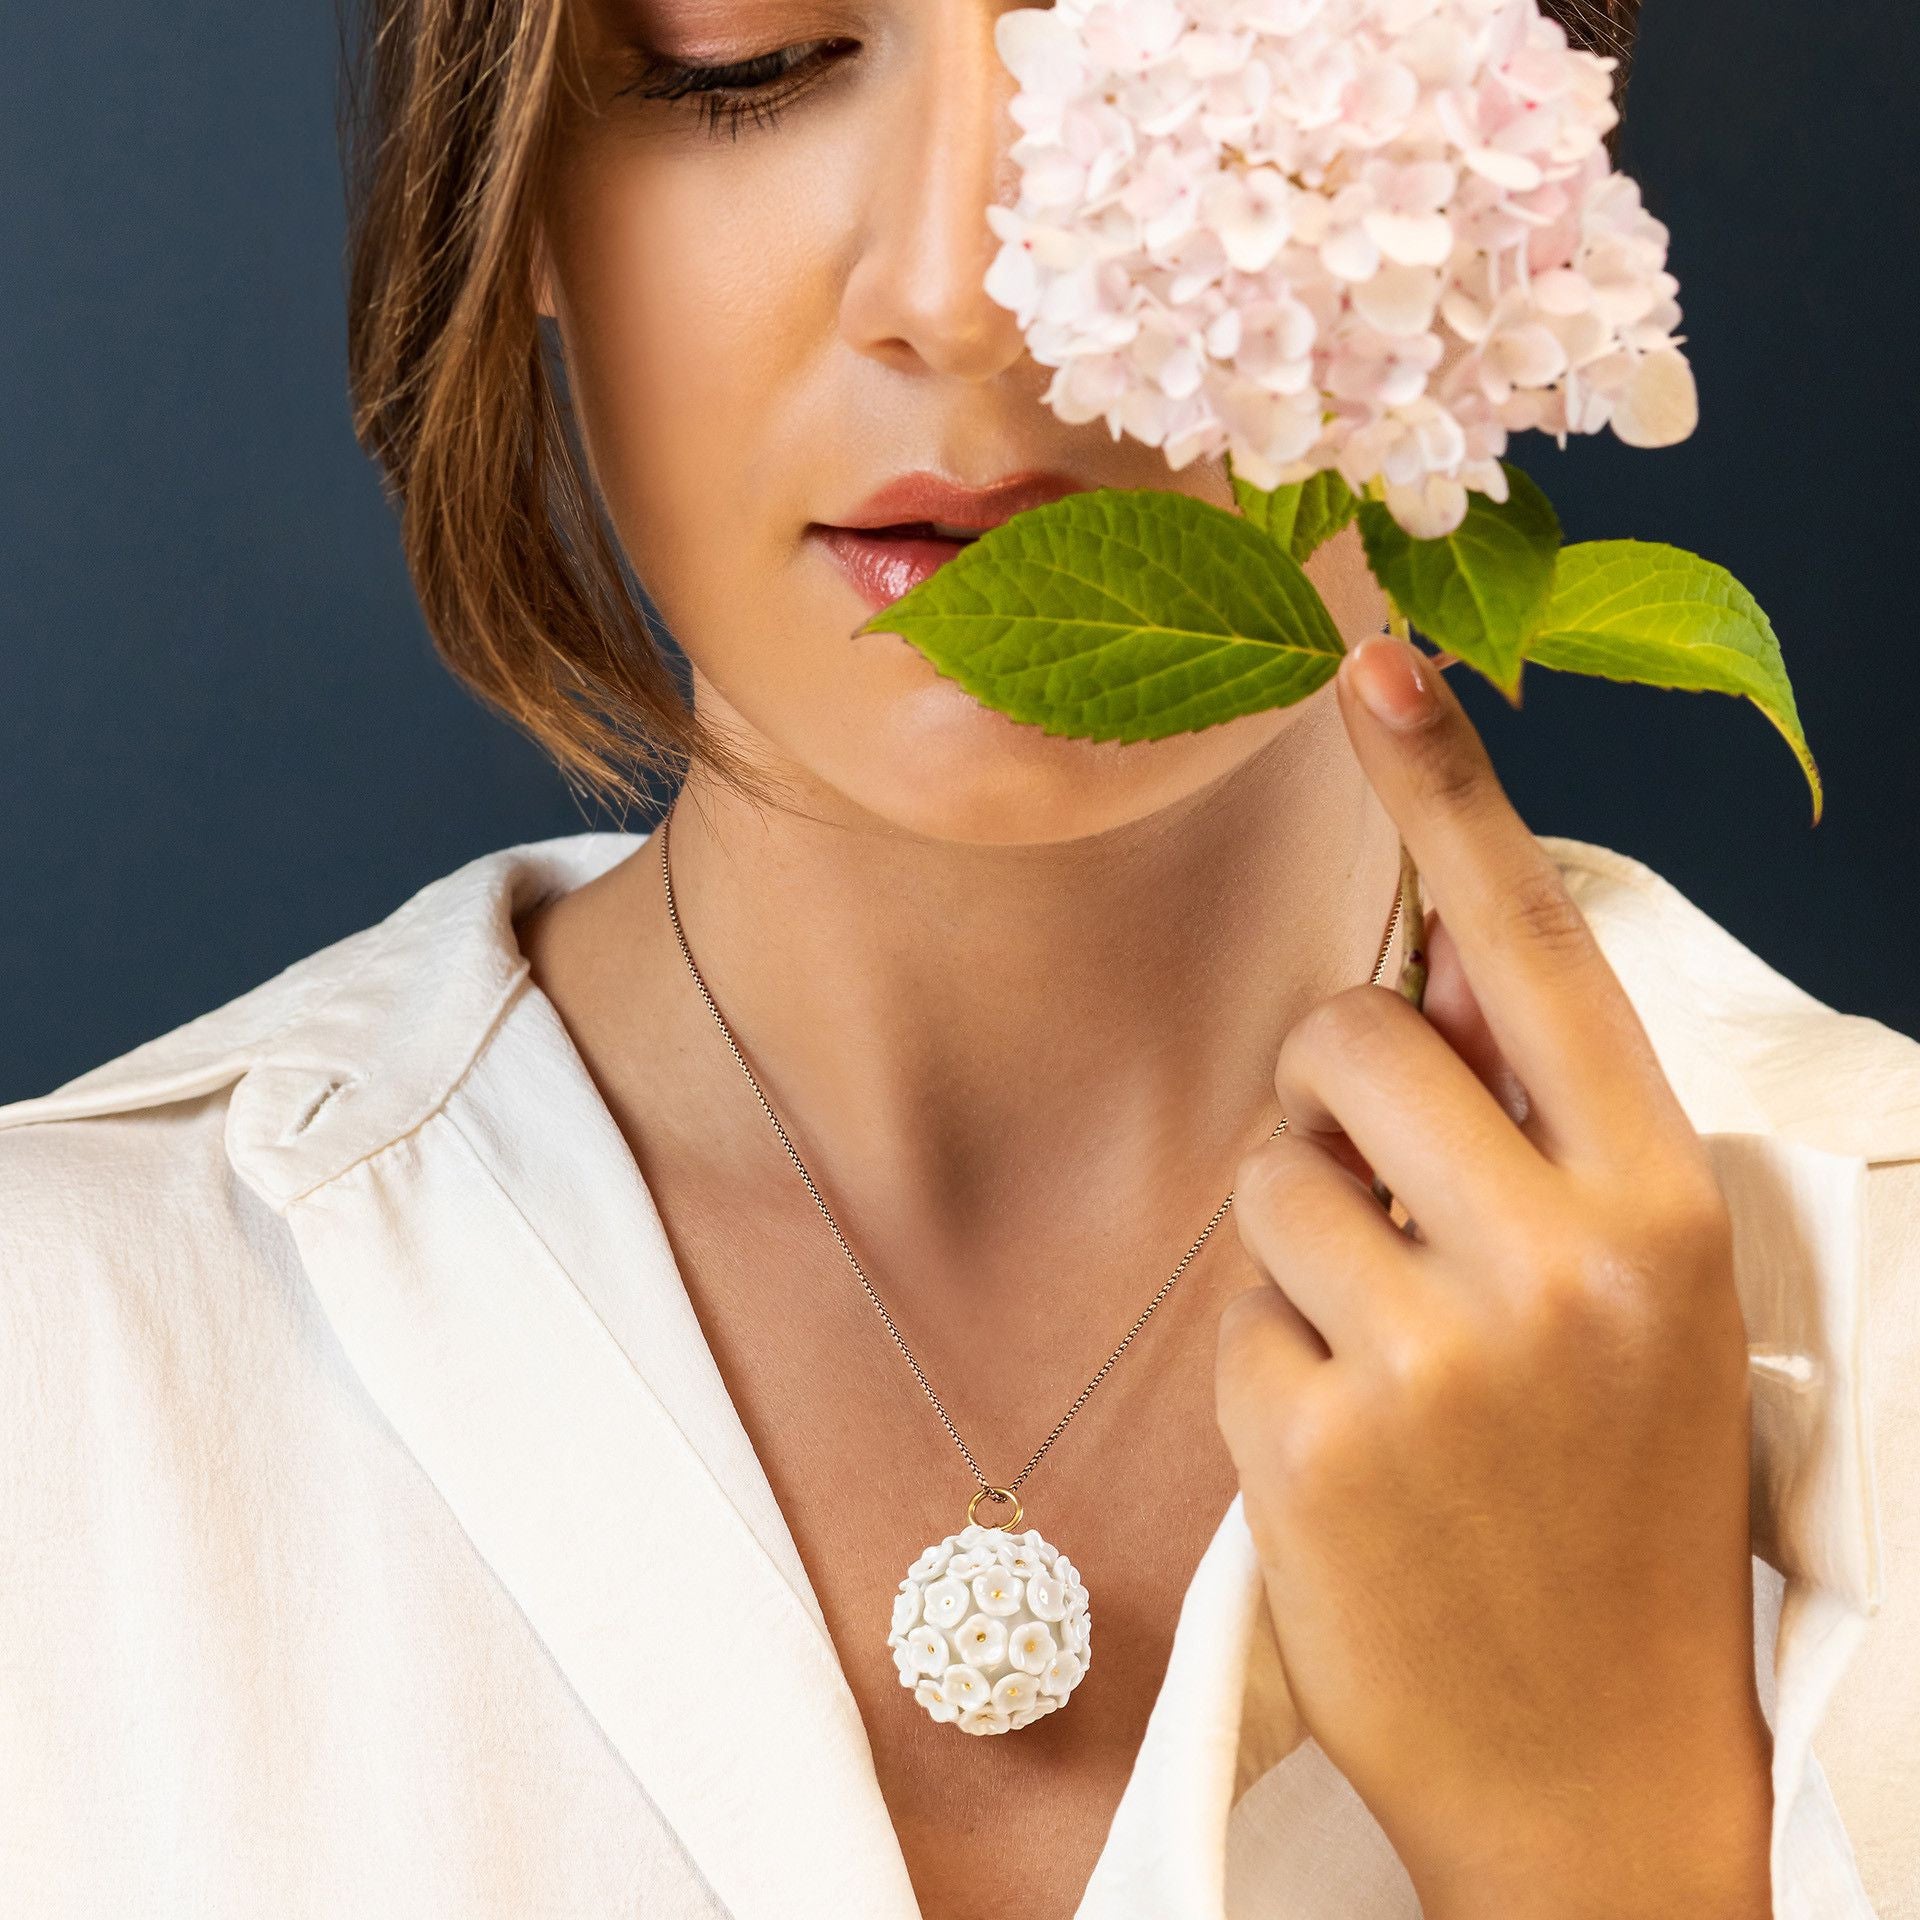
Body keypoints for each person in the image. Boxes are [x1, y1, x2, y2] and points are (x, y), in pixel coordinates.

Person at [2, 1, 1915, 1915]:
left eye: (1164, 41)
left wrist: (1605, 1838)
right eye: (741, 53)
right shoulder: (68, 1361)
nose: (962, 291)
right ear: (521, 184)